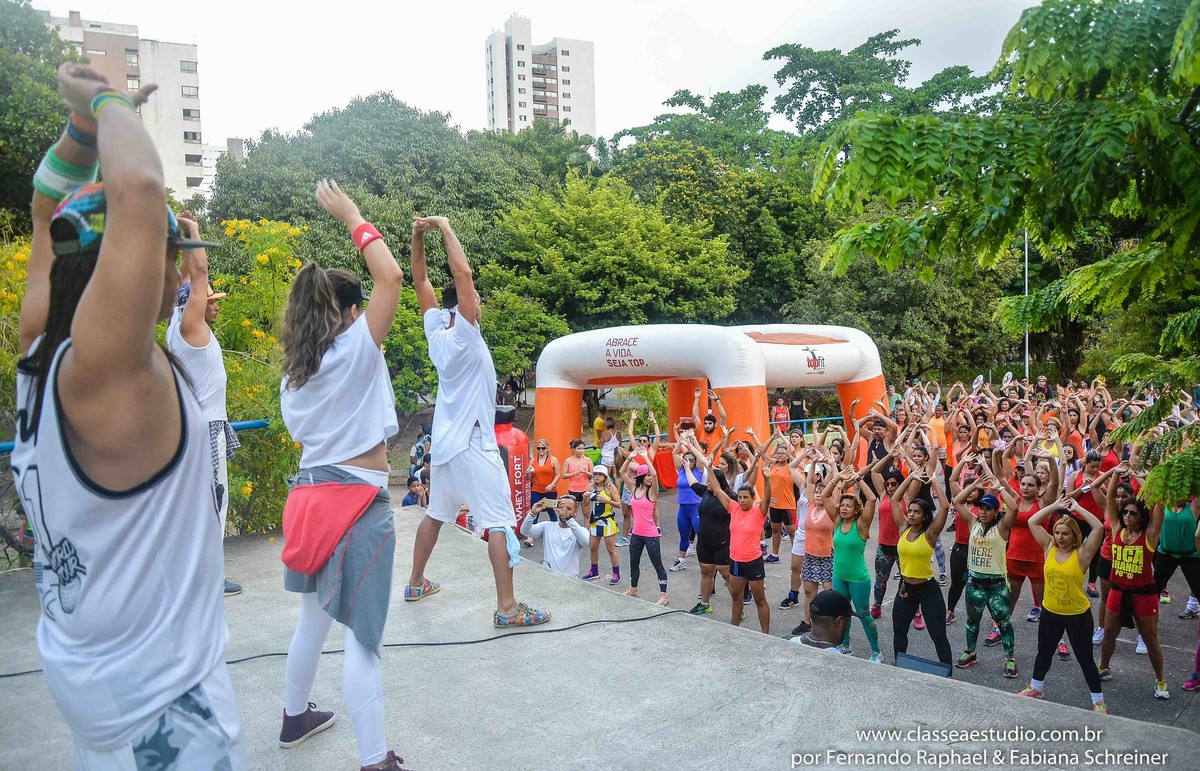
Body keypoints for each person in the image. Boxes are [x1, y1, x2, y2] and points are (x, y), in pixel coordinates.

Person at [13, 65, 247, 768]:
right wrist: (106, 100)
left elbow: (43, 209)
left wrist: (83, 129)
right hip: (169, 720)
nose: (178, 275)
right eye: (172, 258)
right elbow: (141, 191)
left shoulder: (39, 354)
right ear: (150, 265)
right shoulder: (109, 376)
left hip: (98, 703)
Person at [277, 181, 407, 770]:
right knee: (362, 636)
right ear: (349, 315)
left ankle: (294, 714)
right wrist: (353, 215)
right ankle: (374, 757)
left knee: (312, 619)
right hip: (356, 504)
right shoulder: (356, 350)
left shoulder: (292, 377)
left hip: (308, 498)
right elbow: (392, 277)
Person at [404, 214, 550, 629]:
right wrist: (444, 228)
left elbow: (420, 282)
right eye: (475, 298)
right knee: (500, 521)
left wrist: (417, 237)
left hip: (447, 444)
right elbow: (462, 271)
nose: (479, 301)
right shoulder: (466, 331)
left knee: (436, 514)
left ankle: (415, 582)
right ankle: (508, 608)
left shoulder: (437, 330)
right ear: (465, 304)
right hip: (473, 442)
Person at [165, 212, 243, 597]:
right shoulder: (190, 327)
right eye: (209, 299)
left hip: (193, 428)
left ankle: (194, 574)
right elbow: (196, 277)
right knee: (215, 502)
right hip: (207, 430)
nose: (214, 303)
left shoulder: (177, 324)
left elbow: (186, 279)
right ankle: (210, 578)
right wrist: (194, 232)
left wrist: (181, 241)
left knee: (196, 505)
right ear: (193, 304)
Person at [1019, 495, 1108, 713]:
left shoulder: (1082, 554)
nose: (1059, 537)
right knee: (1044, 652)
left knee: (1085, 658)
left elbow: (1098, 528)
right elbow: (1032, 521)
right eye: (1057, 532)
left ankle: (1098, 700)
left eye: (1065, 533)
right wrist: (1056, 506)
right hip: (1050, 611)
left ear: (1074, 535)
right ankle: (1035, 687)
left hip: (1077, 614)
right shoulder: (1049, 546)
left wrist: (1077, 507)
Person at [1097, 493, 1168, 699]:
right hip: (1118, 590)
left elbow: (1160, 507)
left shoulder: (1150, 535)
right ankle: (1104, 667)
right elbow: (1110, 499)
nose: (1127, 516)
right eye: (1125, 512)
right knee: (1109, 631)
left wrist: (1149, 480)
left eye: (1133, 513)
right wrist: (1116, 474)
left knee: (1150, 639)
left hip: (1143, 594)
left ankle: (1161, 680)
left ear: (1142, 516)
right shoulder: (1118, 529)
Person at [952, 477, 1020, 679]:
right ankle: (971, 652)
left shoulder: (1002, 527)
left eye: (988, 509)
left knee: (1004, 623)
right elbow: (957, 502)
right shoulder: (973, 522)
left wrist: (1000, 487)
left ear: (996, 512)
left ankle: (1009, 658)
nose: (982, 511)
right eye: (981, 507)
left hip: (996, 584)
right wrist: (973, 486)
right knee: (972, 621)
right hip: (975, 582)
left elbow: (1014, 509)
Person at [890, 467, 954, 670]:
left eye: (917, 512)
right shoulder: (903, 527)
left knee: (938, 635)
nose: (911, 514)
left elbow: (944, 507)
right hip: (905, 588)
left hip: (927, 589)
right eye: (910, 511)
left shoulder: (930, 533)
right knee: (899, 631)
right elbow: (894, 500)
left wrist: (935, 481)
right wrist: (910, 477)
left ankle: (948, 673)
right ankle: (899, 666)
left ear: (925, 516)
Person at [707, 444, 773, 632]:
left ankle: (765, 634)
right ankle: (735, 629)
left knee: (760, 599)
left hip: (754, 561)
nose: (743, 500)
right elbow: (719, 490)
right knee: (736, 597)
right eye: (741, 497)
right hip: (735, 560)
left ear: (753, 498)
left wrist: (767, 480)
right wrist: (709, 467)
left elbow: (767, 498)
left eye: (746, 497)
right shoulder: (733, 507)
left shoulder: (759, 511)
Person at [824, 467, 883, 662]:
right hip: (839, 576)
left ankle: (876, 651)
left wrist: (858, 479)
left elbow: (872, 499)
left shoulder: (862, 524)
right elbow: (825, 496)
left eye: (848, 506)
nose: (843, 508)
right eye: (842, 505)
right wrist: (837, 477)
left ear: (856, 509)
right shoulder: (838, 521)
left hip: (858, 578)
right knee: (842, 612)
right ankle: (845, 644)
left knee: (864, 614)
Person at [623, 461, 669, 605]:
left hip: (651, 534)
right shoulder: (633, 488)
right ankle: (633, 588)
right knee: (633, 562)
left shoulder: (652, 492)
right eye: (647, 475)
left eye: (650, 475)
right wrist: (629, 457)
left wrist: (644, 457)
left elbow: (655, 474)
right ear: (641, 476)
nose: (650, 477)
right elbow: (622, 472)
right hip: (636, 533)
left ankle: (663, 594)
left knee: (657, 564)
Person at [521, 497, 589, 576]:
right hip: (548, 578)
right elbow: (525, 531)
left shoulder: (581, 531)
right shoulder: (547, 526)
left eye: (569, 509)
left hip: (570, 581)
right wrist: (532, 514)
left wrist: (569, 518)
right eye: (562, 508)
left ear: (575, 512)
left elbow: (585, 541)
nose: (564, 512)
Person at [580, 465, 621, 585]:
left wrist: (607, 501)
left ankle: (616, 573)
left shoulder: (610, 488)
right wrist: (585, 498)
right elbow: (586, 505)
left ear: (605, 476)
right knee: (593, 547)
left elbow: (618, 504)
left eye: (599, 474)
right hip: (594, 522)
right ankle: (594, 571)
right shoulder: (590, 486)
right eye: (595, 474)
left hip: (607, 521)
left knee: (611, 549)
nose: (597, 476)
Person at [669, 437, 704, 572]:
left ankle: (707, 562)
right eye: (686, 459)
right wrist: (680, 440)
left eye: (691, 460)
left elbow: (700, 455)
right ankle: (682, 561)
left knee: (702, 536)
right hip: (683, 508)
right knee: (684, 536)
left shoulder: (699, 470)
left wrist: (693, 441)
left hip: (696, 508)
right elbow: (674, 453)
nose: (689, 462)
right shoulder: (681, 469)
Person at [530, 439, 561, 509]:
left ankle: (554, 520)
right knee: (534, 510)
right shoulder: (532, 461)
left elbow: (558, 474)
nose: (541, 450)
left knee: (551, 511)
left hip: (550, 490)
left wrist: (552, 484)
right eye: (538, 448)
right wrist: (527, 473)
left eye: (543, 448)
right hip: (536, 490)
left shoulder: (553, 460)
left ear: (547, 449)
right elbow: (528, 477)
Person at [563, 439, 593, 503]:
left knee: (586, 512)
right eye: (579, 449)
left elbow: (593, 474)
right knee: (573, 511)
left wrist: (586, 473)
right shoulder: (568, 461)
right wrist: (574, 474)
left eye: (583, 449)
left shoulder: (588, 460)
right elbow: (564, 475)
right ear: (573, 449)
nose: (581, 451)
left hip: (586, 488)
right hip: (573, 489)